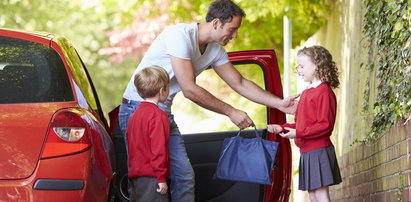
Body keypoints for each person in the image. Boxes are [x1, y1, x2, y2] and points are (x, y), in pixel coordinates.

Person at [120, 0, 298, 201]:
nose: (235, 35)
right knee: (146, 177)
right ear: (216, 23)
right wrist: (231, 111)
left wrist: (280, 103)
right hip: (138, 109)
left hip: (163, 113)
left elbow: (239, 82)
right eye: (232, 29)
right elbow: (189, 88)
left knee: (184, 176)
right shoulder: (179, 36)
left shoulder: (215, 51)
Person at [267, 45, 342, 202]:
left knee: (321, 195)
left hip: (318, 150)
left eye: (302, 66)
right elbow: (301, 124)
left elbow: (325, 125)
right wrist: (282, 127)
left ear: (317, 64)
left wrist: (298, 133)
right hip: (307, 152)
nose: (299, 70)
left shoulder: (323, 91)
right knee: (313, 195)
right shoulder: (307, 92)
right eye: (297, 67)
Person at [126, 66, 171, 202]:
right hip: (152, 177)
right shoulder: (158, 116)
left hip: (136, 176)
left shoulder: (134, 116)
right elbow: (159, 149)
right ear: (162, 91)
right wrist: (161, 177)